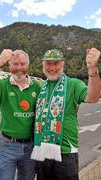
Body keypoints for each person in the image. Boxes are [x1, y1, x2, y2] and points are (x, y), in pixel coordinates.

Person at [31, 48, 101, 180]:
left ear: (62, 64)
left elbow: (93, 97)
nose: (52, 67)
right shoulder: (41, 87)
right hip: (41, 151)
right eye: (48, 63)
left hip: (65, 152)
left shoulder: (73, 84)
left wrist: (92, 71)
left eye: (56, 63)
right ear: (43, 65)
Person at [0, 49, 41, 180]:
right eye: (15, 64)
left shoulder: (37, 87)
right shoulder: (3, 85)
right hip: (8, 146)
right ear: (9, 65)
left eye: (23, 64)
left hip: (31, 146)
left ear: (28, 65)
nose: (19, 68)